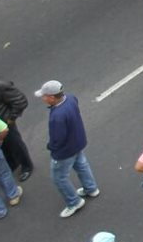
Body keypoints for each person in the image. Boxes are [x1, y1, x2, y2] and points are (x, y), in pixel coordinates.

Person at [35, 80, 99, 218]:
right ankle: (91, 188)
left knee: (59, 177)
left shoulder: (57, 116)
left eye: (44, 96)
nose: (43, 98)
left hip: (64, 152)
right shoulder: (70, 98)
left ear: (52, 97)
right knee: (82, 165)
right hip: (78, 142)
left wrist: (51, 147)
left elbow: (57, 139)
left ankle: (74, 202)